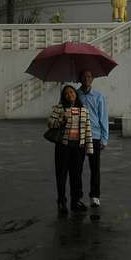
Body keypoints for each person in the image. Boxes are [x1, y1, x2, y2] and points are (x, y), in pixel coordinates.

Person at [47, 84, 93, 215]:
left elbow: (88, 130)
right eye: (66, 93)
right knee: (61, 175)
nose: (69, 95)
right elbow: (50, 123)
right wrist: (61, 119)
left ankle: (76, 201)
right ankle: (62, 201)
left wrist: (89, 149)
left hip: (78, 148)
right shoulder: (59, 108)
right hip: (63, 147)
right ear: (63, 96)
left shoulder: (84, 110)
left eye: (71, 92)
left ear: (75, 94)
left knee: (76, 175)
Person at [78, 70, 109, 208]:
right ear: (80, 79)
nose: (86, 79)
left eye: (89, 76)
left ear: (92, 79)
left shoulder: (98, 96)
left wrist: (104, 138)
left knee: (94, 168)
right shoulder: (75, 95)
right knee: (76, 168)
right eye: (84, 77)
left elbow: (103, 117)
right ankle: (77, 196)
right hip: (77, 136)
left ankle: (95, 196)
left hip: (94, 136)